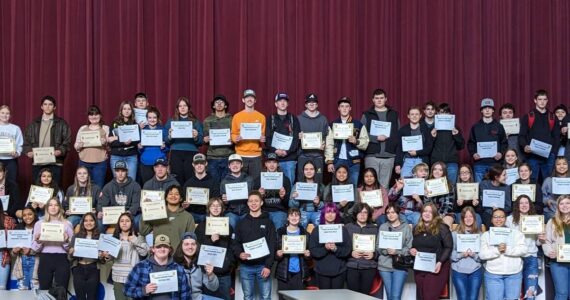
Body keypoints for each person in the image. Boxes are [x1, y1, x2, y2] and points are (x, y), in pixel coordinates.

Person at [232, 191, 276, 300]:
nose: (253, 203)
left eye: (256, 201)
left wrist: (268, 266)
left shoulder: (268, 222)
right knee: (247, 297)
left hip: (263, 266)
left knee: (265, 297)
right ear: (247, 203)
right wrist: (239, 253)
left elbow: (272, 244)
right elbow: (235, 243)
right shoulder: (241, 223)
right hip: (246, 267)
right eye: (251, 201)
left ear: (261, 203)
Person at [124, 234, 191, 299]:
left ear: (170, 249)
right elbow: (127, 290)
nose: (162, 249)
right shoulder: (140, 267)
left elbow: (185, 295)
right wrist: (144, 290)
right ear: (153, 249)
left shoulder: (179, 269)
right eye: (158, 246)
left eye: (165, 246)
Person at [480, 208, 527, 300]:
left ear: (505, 219)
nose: (498, 219)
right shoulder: (486, 235)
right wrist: (497, 250)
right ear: (492, 219)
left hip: (514, 273)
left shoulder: (516, 233)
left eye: (501, 217)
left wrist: (507, 249)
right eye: (496, 217)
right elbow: (482, 255)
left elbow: (524, 250)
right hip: (493, 274)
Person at [23, 95, 71, 185]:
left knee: (55, 189)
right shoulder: (33, 124)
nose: (47, 107)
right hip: (38, 161)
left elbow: (67, 142)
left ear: (54, 107)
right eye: (45, 104)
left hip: (55, 162)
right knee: (38, 190)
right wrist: (28, 151)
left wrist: (60, 151)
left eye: (50, 104)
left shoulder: (62, 123)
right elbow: (26, 141)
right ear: (41, 107)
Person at [409, 203, 453, 300]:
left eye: (430, 212)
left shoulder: (442, 227)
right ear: (421, 213)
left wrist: (440, 262)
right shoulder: (416, 228)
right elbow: (414, 246)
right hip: (420, 267)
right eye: (425, 211)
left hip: (437, 267)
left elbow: (448, 247)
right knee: (421, 297)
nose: (427, 214)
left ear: (434, 214)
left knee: (429, 297)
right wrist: (412, 250)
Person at [31, 198, 74, 292]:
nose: (53, 207)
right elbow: (34, 248)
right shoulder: (39, 224)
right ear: (47, 208)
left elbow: (71, 249)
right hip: (45, 259)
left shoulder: (67, 224)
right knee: (44, 291)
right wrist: (39, 241)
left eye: (56, 205)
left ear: (60, 207)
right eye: (50, 205)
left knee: (61, 291)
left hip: (62, 259)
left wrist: (65, 241)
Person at [195, 198, 234, 300]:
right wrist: (210, 241)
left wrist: (229, 263)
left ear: (222, 209)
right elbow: (197, 248)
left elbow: (232, 247)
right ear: (208, 208)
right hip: (207, 273)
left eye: (218, 206)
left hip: (224, 273)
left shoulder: (228, 226)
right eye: (213, 206)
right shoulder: (201, 227)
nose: (216, 208)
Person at [506, 195, 544, 299]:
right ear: (517, 206)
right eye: (521, 203)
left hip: (531, 257)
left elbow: (538, 243)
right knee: (514, 293)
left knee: (531, 291)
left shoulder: (536, 219)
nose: (524, 205)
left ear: (530, 205)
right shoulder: (509, 220)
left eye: (526, 203)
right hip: (515, 257)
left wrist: (541, 239)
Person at [361, 88, 400, 189]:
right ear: (373, 100)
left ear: (386, 99)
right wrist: (375, 138)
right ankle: (370, 205)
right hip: (372, 155)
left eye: (381, 98)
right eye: (377, 98)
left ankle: (383, 205)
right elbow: (361, 134)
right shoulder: (367, 114)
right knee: (370, 184)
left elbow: (398, 134)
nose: (379, 100)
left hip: (389, 155)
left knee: (384, 186)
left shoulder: (394, 114)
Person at [325, 97, 369, 186]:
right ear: (338, 108)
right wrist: (329, 161)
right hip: (338, 160)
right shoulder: (333, 124)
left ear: (350, 108)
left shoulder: (358, 125)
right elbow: (329, 144)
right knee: (337, 187)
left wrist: (356, 141)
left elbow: (365, 142)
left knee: (353, 186)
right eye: (342, 106)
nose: (344, 108)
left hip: (354, 161)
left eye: (346, 106)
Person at [105, 212, 149, 300]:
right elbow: (109, 258)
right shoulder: (114, 238)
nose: (124, 223)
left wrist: (135, 241)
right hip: (117, 277)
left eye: (127, 221)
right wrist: (107, 256)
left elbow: (145, 253)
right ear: (119, 224)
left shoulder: (139, 237)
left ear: (132, 223)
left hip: (133, 278)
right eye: (122, 221)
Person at [519, 89, 560, 183]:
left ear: (547, 101)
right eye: (540, 99)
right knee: (532, 182)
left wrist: (553, 153)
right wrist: (525, 146)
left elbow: (556, 137)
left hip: (549, 156)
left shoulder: (553, 117)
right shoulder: (528, 116)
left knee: (549, 182)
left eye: (544, 99)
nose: (542, 102)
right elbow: (521, 136)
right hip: (532, 156)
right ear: (535, 100)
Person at [309, 202, 351, 289]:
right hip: (321, 271)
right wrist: (325, 248)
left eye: (333, 212)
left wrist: (336, 249)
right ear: (324, 214)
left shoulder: (343, 230)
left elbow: (347, 250)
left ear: (336, 214)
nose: (330, 215)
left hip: (339, 271)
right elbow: (313, 251)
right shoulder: (316, 230)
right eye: (328, 212)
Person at [140, 185, 195, 250]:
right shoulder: (156, 212)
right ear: (166, 198)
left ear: (181, 198)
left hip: (178, 256)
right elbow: (143, 231)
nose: (173, 196)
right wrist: (146, 212)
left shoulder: (188, 216)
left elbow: (191, 239)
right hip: (158, 254)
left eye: (176, 194)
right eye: (170, 194)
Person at [467, 98, 508, 182]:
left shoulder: (499, 126)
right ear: (481, 111)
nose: (487, 110)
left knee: (496, 189)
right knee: (481, 188)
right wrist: (473, 153)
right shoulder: (476, 127)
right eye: (485, 108)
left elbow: (504, 143)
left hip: (495, 164)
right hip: (479, 164)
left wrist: (501, 153)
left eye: (489, 108)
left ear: (493, 110)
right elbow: (471, 143)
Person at [377, 203, 413, 300]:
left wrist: (396, 251)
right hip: (384, 266)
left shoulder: (406, 228)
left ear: (398, 213)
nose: (390, 215)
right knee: (389, 296)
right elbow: (378, 247)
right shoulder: (383, 227)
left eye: (393, 212)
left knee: (395, 296)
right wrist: (386, 251)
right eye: (388, 213)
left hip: (400, 266)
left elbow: (409, 248)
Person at [165, 96, 204, 184]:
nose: (182, 108)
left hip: (191, 152)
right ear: (177, 108)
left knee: (190, 177)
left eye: (185, 105)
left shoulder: (196, 122)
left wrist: (196, 136)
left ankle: (188, 197)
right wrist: (170, 136)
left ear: (189, 107)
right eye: (180, 106)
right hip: (176, 152)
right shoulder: (171, 121)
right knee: (176, 177)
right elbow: (165, 140)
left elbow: (201, 141)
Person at [266, 92, 301, 185]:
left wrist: (287, 152)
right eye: (280, 101)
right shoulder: (270, 118)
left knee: (289, 185)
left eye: (285, 101)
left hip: (290, 159)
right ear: (276, 104)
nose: (282, 103)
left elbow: (296, 140)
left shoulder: (293, 118)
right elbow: (267, 139)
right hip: (274, 160)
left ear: (288, 103)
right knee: (273, 186)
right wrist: (276, 151)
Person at [275, 208, 311, 299]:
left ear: (300, 218)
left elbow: (310, 256)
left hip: (300, 273)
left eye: (297, 215)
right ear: (287, 218)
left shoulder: (305, 234)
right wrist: (278, 255)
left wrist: (308, 255)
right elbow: (274, 254)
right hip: (284, 273)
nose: (294, 217)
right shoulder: (279, 232)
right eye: (291, 215)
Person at [231, 89, 266, 177]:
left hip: (256, 155)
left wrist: (262, 139)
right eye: (247, 97)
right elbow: (233, 133)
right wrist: (236, 138)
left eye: (252, 97)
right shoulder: (237, 116)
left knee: (255, 183)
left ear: (255, 100)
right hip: (240, 154)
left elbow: (263, 135)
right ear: (243, 100)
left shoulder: (261, 117)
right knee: (241, 182)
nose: (249, 99)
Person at [174, 232, 219, 300]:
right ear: (181, 246)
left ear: (197, 246)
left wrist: (210, 274)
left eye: (193, 244)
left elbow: (214, 288)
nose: (190, 247)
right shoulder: (174, 264)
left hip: (198, 297)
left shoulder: (201, 263)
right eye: (186, 244)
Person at [68, 213, 104, 300]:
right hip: (78, 269)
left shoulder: (100, 237)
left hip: (93, 269)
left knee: (92, 297)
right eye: (86, 221)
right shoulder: (76, 236)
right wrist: (71, 253)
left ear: (95, 222)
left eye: (91, 220)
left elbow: (103, 261)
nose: (88, 223)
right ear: (82, 223)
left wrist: (102, 256)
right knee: (80, 298)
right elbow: (70, 258)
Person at [450, 207, 483, 300]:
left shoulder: (480, 235)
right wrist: (461, 254)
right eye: (466, 217)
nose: (468, 219)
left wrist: (474, 255)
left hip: (475, 271)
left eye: (471, 216)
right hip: (458, 270)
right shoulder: (454, 234)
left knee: (473, 298)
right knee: (462, 298)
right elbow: (450, 254)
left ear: (474, 218)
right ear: (462, 219)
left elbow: (483, 256)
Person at [345, 203, 378, 294]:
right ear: (355, 214)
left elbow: (380, 248)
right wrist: (350, 253)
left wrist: (374, 254)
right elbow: (343, 247)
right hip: (352, 266)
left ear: (369, 215)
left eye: (365, 212)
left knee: (365, 296)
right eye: (360, 212)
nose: (362, 215)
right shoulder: (348, 228)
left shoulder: (375, 229)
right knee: (352, 295)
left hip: (369, 267)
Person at [74, 105, 109, 188]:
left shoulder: (105, 128)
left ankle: (96, 202)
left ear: (100, 115)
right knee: (83, 186)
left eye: (96, 114)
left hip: (100, 162)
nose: (94, 116)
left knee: (98, 187)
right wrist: (79, 145)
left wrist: (105, 142)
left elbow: (109, 147)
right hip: (84, 161)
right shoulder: (83, 128)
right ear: (88, 116)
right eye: (91, 114)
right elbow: (76, 145)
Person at [98, 160, 142, 227]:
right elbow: (102, 203)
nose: (120, 173)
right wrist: (100, 211)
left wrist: (129, 212)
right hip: (113, 215)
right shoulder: (108, 187)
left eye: (123, 171)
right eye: (117, 171)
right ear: (115, 172)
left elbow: (136, 204)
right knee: (99, 223)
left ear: (127, 172)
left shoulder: (135, 186)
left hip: (129, 214)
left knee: (137, 220)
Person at [297, 93, 329, 184]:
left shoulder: (323, 119)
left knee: (318, 181)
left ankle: (317, 198)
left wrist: (324, 144)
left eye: (314, 102)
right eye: (309, 102)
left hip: (318, 156)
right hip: (303, 155)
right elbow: (293, 138)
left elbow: (327, 137)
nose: (311, 104)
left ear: (317, 104)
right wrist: (297, 137)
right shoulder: (298, 119)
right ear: (305, 104)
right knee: (302, 180)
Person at [394, 106, 434, 178]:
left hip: (421, 161)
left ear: (420, 116)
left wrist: (417, 152)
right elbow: (399, 148)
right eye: (412, 114)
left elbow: (429, 147)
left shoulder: (426, 130)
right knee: (405, 184)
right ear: (408, 116)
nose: (414, 116)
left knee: (421, 185)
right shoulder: (403, 130)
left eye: (416, 114)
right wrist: (397, 164)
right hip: (406, 161)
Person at [543, 195, 570, 300]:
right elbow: (546, 240)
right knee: (562, 294)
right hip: (558, 264)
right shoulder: (552, 221)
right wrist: (549, 252)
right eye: (562, 203)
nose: (565, 206)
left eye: (567, 203)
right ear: (558, 206)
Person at [430, 103, 465, 183]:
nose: (443, 114)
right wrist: (432, 137)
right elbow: (428, 148)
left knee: (451, 186)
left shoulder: (455, 128)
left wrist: (456, 135)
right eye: (440, 112)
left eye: (445, 112)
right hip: (437, 162)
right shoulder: (432, 128)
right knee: (436, 186)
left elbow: (461, 146)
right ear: (437, 114)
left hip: (451, 162)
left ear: (449, 114)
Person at [183, 153, 221, 225]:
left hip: (209, 214)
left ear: (206, 163)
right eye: (197, 163)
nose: (199, 165)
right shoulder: (188, 183)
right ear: (193, 165)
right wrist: (186, 206)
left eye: (202, 163)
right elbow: (185, 204)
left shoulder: (214, 182)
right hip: (192, 214)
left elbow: (216, 199)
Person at [203, 95, 234, 180]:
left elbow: (235, 135)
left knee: (227, 183)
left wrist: (233, 138)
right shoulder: (207, 120)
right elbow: (205, 138)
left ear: (225, 105)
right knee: (214, 183)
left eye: (221, 102)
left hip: (228, 155)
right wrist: (205, 139)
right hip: (212, 156)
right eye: (217, 102)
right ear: (213, 106)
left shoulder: (232, 119)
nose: (219, 104)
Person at [257, 152, 291, 230]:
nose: (272, 165)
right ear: (265, 164)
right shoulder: (258, 180)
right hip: (263, 211)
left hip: (279, 211)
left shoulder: (285, 180)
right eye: (269, 162)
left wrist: (283, 197)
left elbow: (288, 204)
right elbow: (254, 201)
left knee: (278, 231)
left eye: (274, 162)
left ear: (278, 164)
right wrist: (259, 195)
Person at [220, 154, 254, 229]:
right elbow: (223, 204)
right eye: (232, 164)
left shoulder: (249, 179)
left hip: (246, 211)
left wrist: (250, 197)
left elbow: (254, 197)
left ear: (242, 165)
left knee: (249, 227)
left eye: (237, 163)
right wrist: (224, 201)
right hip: (231, 212)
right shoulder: (224, 182)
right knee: (231, 223)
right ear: (229, 166)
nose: (235, 165)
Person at [289, 160, 325, 228]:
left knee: (320, 225)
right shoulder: (297, 186)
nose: (309, 171)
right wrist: (294, 199)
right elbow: (290, 205)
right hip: (303, 211)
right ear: (303, 171)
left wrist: (318, 203)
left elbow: (326, 204)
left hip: (317, 211)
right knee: (301, 224)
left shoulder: (321, 186)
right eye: (306, 169)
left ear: (315, 171)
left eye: (311, 169)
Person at [108, 101, 139, 179]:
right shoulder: (114, 123)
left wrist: (117, 138)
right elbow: (111, 142)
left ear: (132, 111)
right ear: (121, 110)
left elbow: (137, 141)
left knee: (131, 181)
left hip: (131, 156)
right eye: (124, 109)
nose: (127, 111)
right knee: (117, 181)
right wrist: (123, 141)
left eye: (129, 109)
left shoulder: (135, 124)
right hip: (116, 156)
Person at [138, 106, 169, 184]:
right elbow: (139, 149)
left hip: (160, 162)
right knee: (147, 186)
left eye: (154, 117)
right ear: (147, 119)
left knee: (160, 186)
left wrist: (164, 147)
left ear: (158, 118)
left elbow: (168, 147)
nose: (152, 120)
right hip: (145, 162)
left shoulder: (163, 130)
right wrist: (140, 147)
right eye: (150, 117)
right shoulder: (143, 130)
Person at [10, 206, 38, 290]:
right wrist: (14, 251)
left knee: (35, 292)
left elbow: (44, 249)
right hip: (21, 263)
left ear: (34, 215)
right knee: (22, 292)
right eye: (24, 215)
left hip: (36, 263)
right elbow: (12, 254)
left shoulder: (39, 227)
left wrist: (31, 251)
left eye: (30, 214)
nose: (27, 217)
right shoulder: (18, 228)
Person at [425, 161, 455, 226]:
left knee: (445, 224)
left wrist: (438, 217)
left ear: (444, 172)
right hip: (431, 213)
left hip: (446, 213)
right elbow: (426, 205)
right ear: (432, 171)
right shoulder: (427, 185)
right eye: (435, 169)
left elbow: (448, 205)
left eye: (440, 170)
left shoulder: (449, 185)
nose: (437, 172)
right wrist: (426, 196)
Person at [0, 105, 23, 182]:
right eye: (2, 113)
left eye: (7, 113)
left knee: (12, 182)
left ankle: (11, 195)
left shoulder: (16, 128)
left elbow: (20, 144)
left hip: (11, 160)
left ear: (10, 115)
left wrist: (17, 153)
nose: (5, 115)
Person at [542, 157, 569, 221]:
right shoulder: (548, 180)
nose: (561, 166)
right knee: (555, 219)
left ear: (568, 166)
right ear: (555, 166)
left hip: (568, 211)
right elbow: (542, 197)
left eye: (564, 164)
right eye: (558, 164)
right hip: (552, 212)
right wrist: (547, 201)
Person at [0, 200, 16, 289]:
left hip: (3, 256)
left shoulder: (8, 220)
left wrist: (7, 242)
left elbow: (14, 239)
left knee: (1, 288)